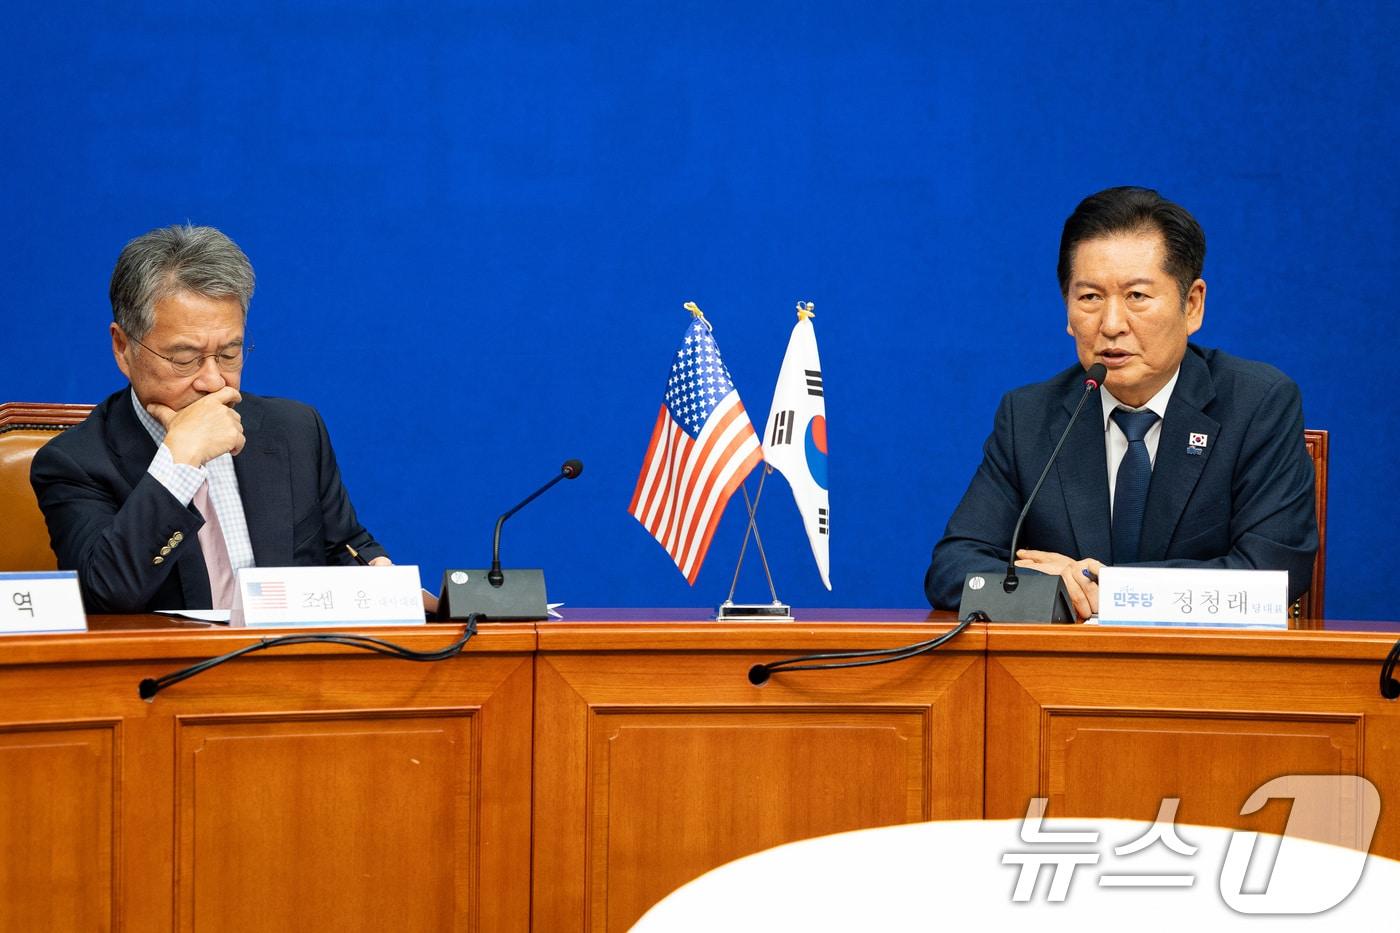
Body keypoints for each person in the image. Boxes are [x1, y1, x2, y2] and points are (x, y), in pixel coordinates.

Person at [925, 186, 1317, 620]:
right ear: (1068, 311)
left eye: (1137, 296)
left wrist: (1112, 588)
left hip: (1205, 679)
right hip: (1061, 684)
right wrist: (1055, 589)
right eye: (1090, 297)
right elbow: (953, 569)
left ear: (1192, 305)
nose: (1111, 325)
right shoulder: (1030, 417)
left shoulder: (1256, 404)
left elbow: (1271, 574)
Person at [31, 224, 392, 613]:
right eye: (184, 359)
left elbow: (344, 547)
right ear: (123, 348)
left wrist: (376, 571)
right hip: (168, 669)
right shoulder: (74, 462)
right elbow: (105, 594)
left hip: (289, 664)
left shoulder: (295, 430)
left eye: (229, 354)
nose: (213, 380)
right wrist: (178, 461)